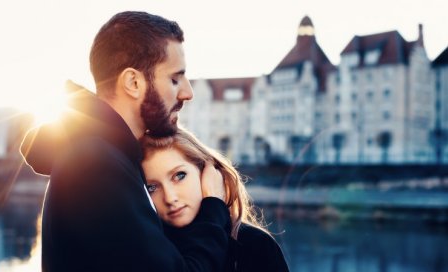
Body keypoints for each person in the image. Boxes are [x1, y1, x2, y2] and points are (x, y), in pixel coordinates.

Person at [20, 11, 230, 271]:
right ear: (133, 82)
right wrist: (214, 208)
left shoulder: (97, 154)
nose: (187, 93)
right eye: (174, 79)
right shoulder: (98, 164)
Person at [140, 128, 290, 272]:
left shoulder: (256, 245)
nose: (170, 197)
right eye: (152, 187)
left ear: (207, 172)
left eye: (179, 176)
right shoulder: (147, 251)